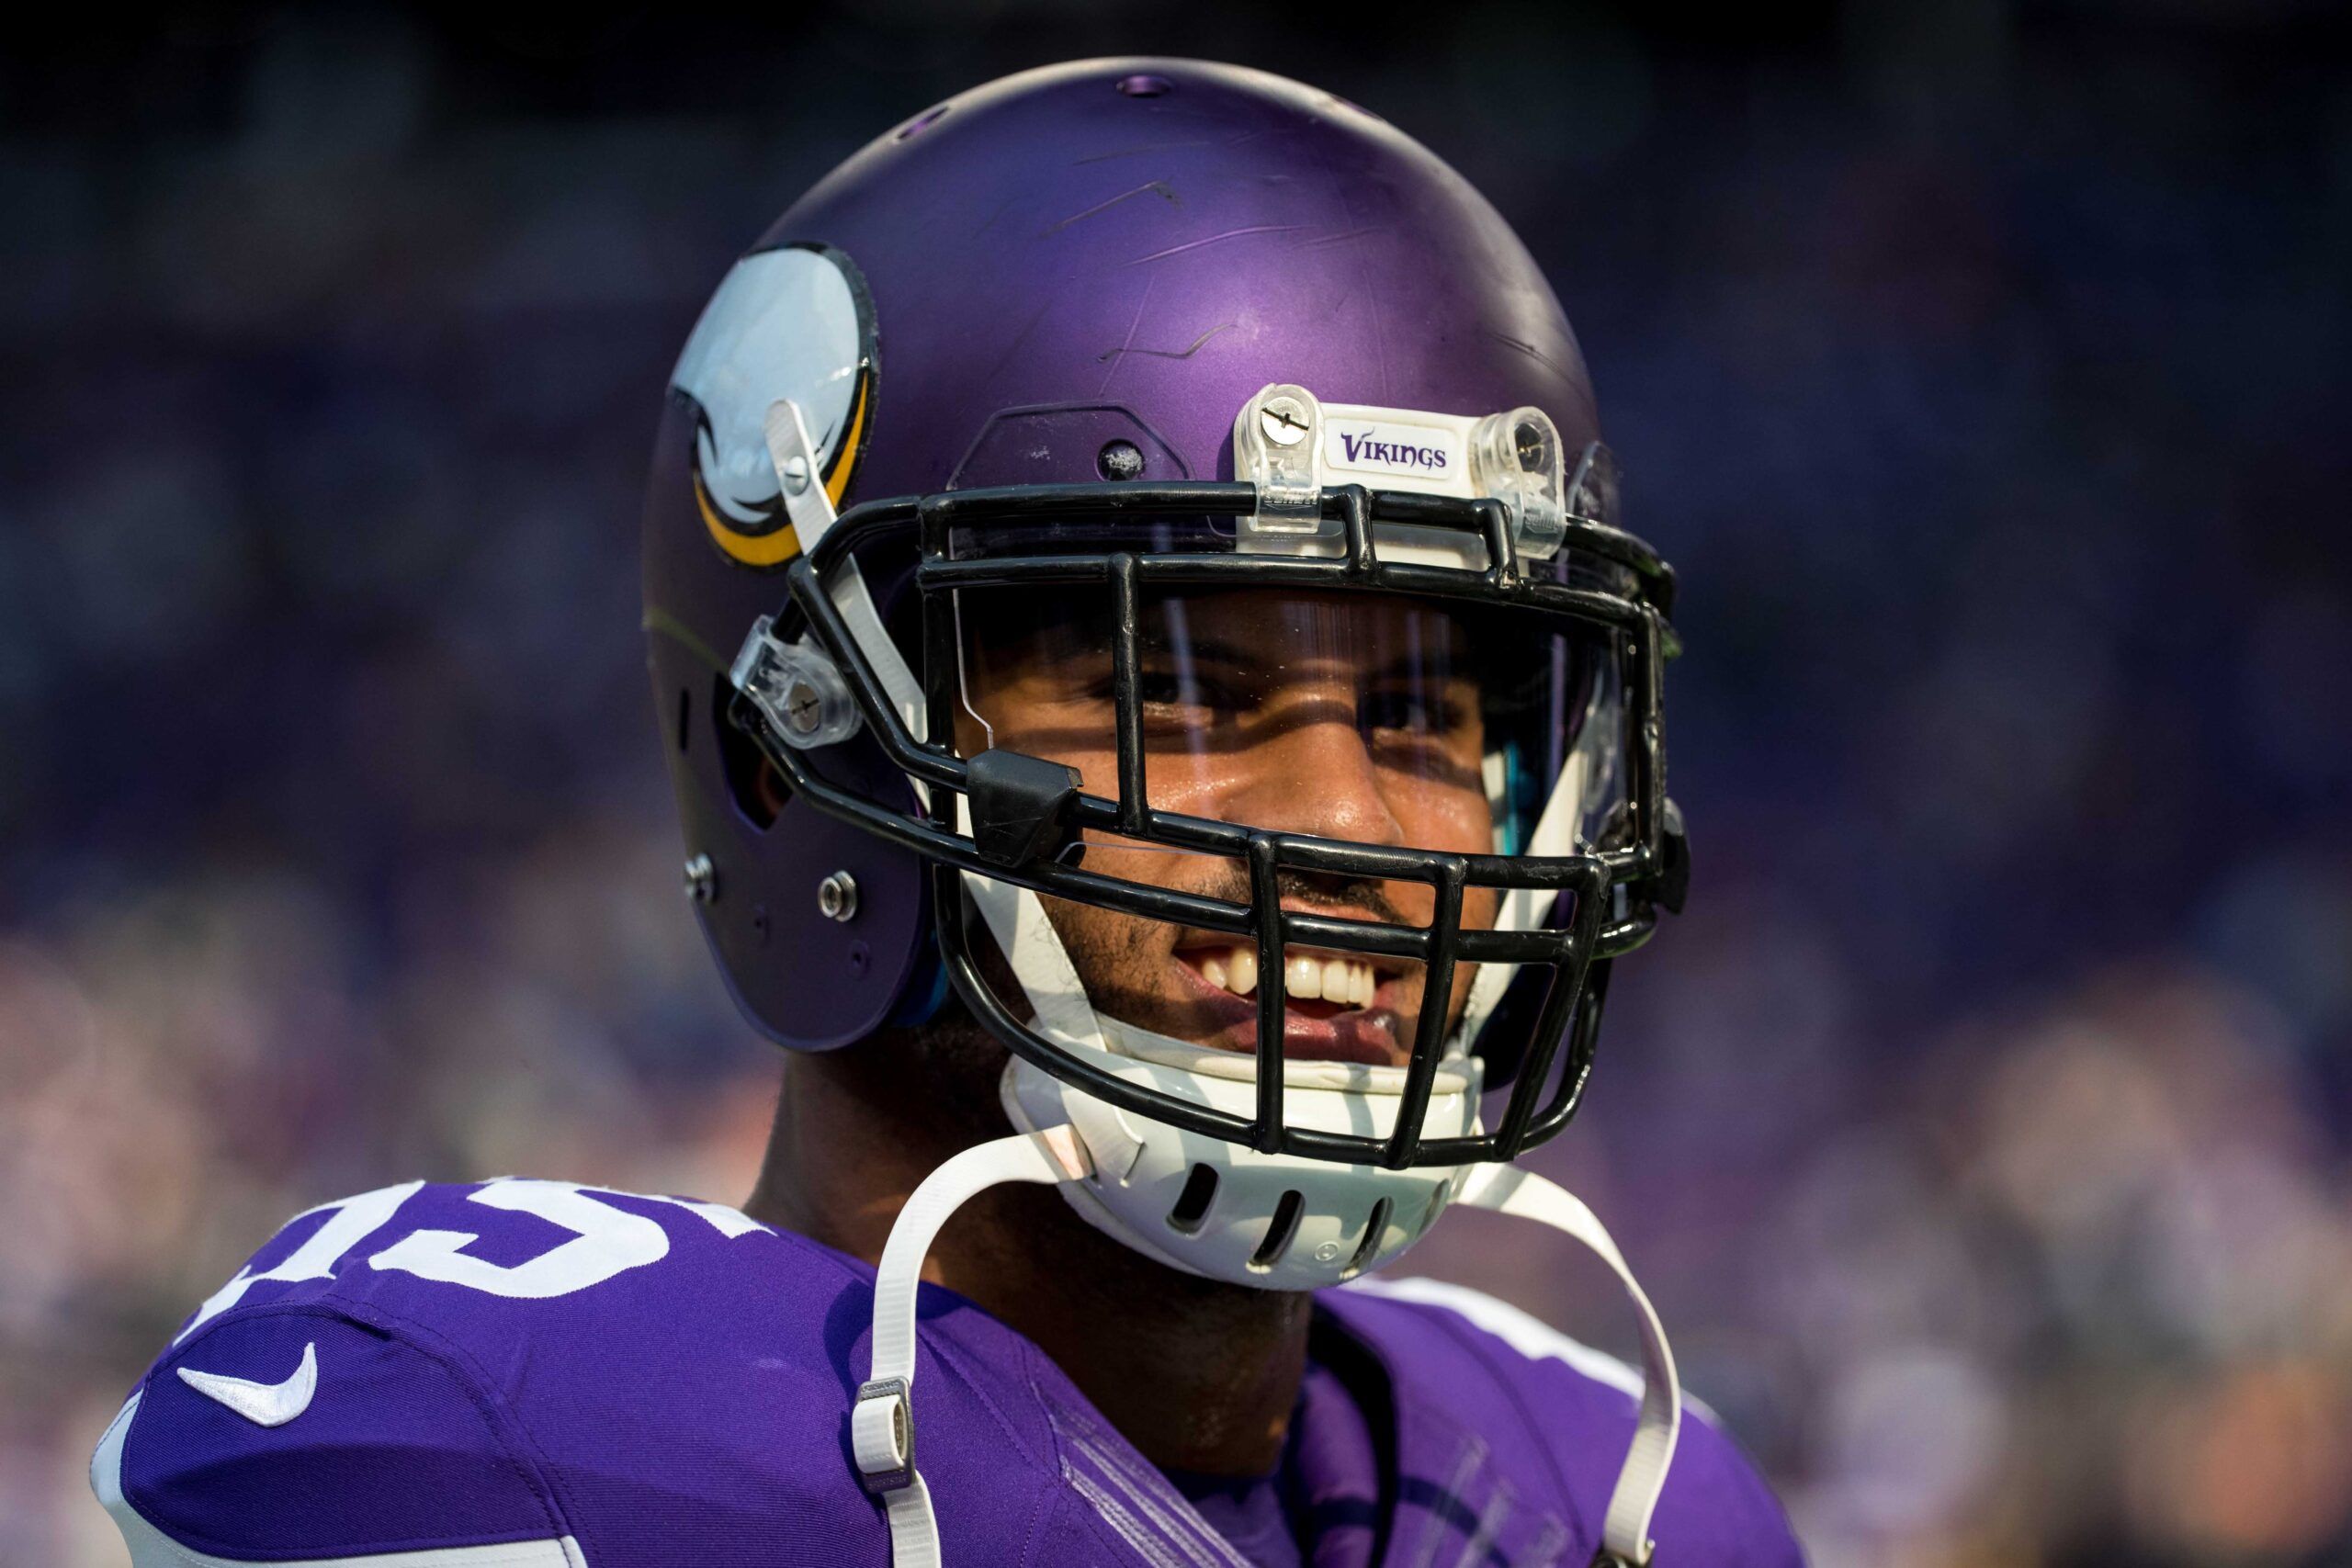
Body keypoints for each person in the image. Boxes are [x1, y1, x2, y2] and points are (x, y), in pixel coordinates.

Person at [90, 60, 1803, 1567]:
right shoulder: (529, 1439)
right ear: (792, 763)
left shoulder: (1599, 1494)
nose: (1354, 825)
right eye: (1185, 698)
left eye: (1424, 714)